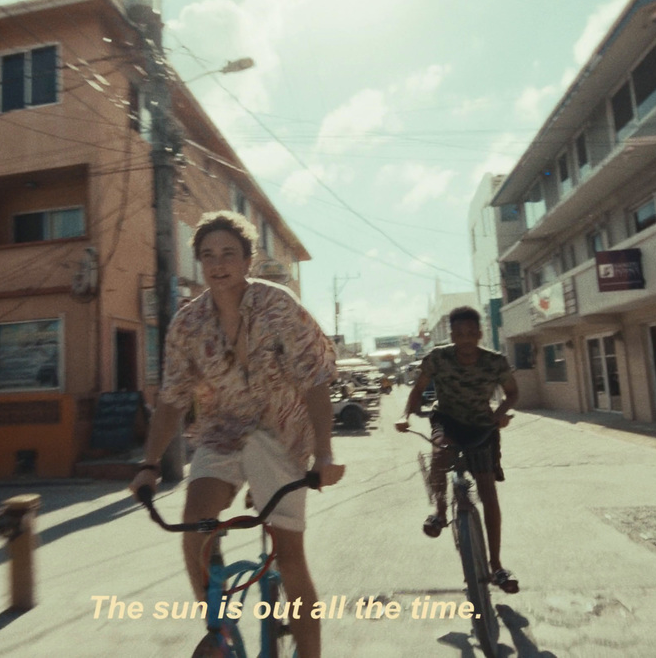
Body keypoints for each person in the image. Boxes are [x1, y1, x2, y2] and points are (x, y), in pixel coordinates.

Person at [129, 211, 344, 658]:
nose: (218, 263)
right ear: (198, 264)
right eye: (207, 255)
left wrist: (323, 453)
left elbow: (315, 380)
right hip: (220, 434)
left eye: (228, 253)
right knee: (195, 529)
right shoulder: (187, 324)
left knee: (288, 556)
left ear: (247, 260)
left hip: (280, 434)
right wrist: (149, 465)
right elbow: (171, 399)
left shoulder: (278, 304)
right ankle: (220, 630)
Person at [395, 306, 520, 593]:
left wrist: (499, 413)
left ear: (479, 333)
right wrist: (405, 415)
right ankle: (440, 512)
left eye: (471, 334)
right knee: (439, 452)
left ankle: (496, 565)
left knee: (488, 492)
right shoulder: (438, 357)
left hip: (482, 425)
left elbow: (513, 392)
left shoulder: (495, 361)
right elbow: (418, 389)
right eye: (459, 334)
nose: (465, 340)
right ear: (452, 335)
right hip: (447, 420)